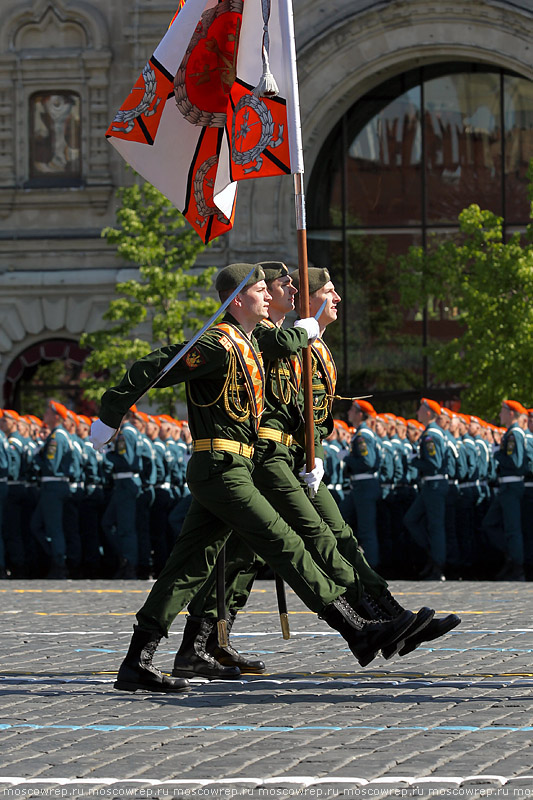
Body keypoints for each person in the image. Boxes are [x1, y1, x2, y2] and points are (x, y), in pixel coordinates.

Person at [90, 263, 416, 694]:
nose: (270, 296)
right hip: (220, 469)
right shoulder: (219, 346)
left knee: (188, 567)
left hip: (235, 468)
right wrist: (111, 412)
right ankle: (357, 630)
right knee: (285, 543)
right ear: (238, 299)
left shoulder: (246, 345)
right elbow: (158, 363)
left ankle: (137, 660)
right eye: (262, 290)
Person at [482, 399, 528, 580]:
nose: (500, 415)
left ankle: (517, 567)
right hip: (506, 486)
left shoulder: (514, 434)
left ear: (510, 413)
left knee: (512, 529)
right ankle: (512, 556)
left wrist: (497, 453)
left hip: (512, 485)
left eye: (502, 411)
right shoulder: (510, 433)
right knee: (489, 523)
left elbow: (515, 462)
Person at [404, 397, 449, 581]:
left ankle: (438, 565)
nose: (417, 413)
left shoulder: (431, 435)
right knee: (411, 520)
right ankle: (433, 554)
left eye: (420, 409)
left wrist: (414, 460)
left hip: (434, 484)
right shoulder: (430, 433)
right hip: (430, 485)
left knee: (435, 526)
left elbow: (434, 463)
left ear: (429, 412)